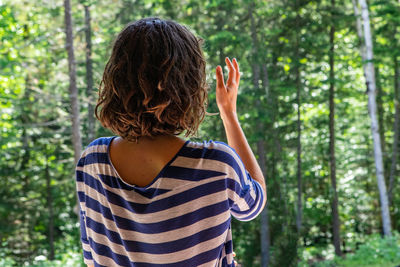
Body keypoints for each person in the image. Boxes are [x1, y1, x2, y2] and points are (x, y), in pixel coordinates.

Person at [76, 17, 267, 267]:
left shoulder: (92, 161)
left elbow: (92, 257)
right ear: (190, 86)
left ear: (116, 81)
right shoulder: (215, 164)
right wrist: (229, 115)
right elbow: (254, 204)